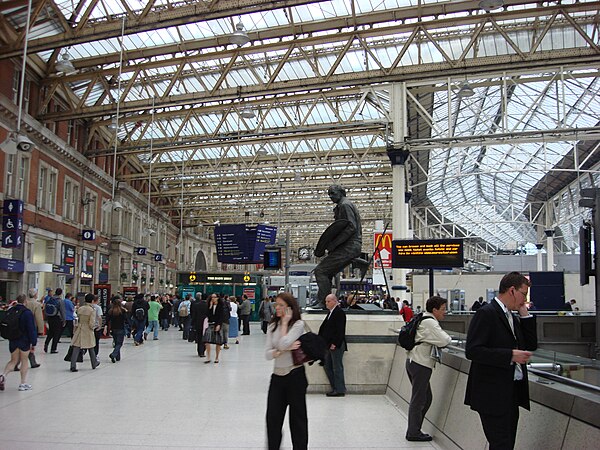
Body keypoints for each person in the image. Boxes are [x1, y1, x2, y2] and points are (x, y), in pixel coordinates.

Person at [464, 271, 538, 450]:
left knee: (507, 443)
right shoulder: (487, 313)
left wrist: (525, 315)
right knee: (501, 444)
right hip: (492, 394)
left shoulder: (511, 316)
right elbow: (473, 350)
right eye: (523, 294)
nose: (524, 299)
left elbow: (531, 345)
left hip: (510, 392)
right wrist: (510, 356)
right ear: (512, 290)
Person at [405, 296, 452, 442]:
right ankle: (413, 432)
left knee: (425, 398)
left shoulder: (422, 318)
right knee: (419, 399)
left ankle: (415, 429)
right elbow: (445, 340)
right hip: (421, 364)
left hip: (413, 361)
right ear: (434, 310)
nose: (445, 312)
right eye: (443, 309)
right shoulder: (430, 323)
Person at [313, 185, 368, 308]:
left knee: (320, 271)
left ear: (341, 193)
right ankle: (323, 300)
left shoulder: (345, 205)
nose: (331, 197)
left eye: (333, 193)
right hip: (350, 247)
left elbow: (350, 227)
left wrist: (334, 244)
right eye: (329, 194)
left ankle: (324, 302)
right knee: (327, 272)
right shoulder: (342, 206)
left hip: (349, 247)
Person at [265, 292, 308, 450]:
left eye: (281, 305)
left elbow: (282, 343)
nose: (277, 308)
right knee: (272, 419)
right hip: (277, 377)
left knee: (297, 420)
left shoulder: (298, 325)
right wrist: (282, 349)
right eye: (276, 304)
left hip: (295, 376)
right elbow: (267, 354)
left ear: (289, 308)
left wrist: (285, 324)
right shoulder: (271, 325)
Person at [0, 294, 38, 392]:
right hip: (24, 340)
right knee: (24, 361)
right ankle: (22, 383)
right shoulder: (27, 313)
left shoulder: (11, 310)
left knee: (13, 360)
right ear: (25, 301)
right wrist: (33, 342)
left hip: (13, 340)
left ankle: (3, 375)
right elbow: (31, 329)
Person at [318, 293, 347, 397]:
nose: (326, 303)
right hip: (328, 345)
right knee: (327, 366)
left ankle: (339, 390)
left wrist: (335, 343)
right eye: (326, 301)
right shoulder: (330, 313)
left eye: (328, 301)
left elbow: (340, 330)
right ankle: (335, 387)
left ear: (335, 301)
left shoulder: (339, 313)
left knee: (336, 367)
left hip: (335, 345)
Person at [70, 293, 100, 372]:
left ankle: (73, 364)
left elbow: (77, 319)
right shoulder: (92, 310)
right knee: (91, 346)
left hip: (80, 328)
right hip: (87, 329)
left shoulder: (80, 308)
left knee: (76, 347)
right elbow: (91, 323)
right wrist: (93, 328)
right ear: (92, 301)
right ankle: (94, 363)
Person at [104, 295, 127, 363]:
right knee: (119, 343)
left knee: (116, 342)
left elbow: (107, 320)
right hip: (121, 328)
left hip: (113, 329)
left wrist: (106, 327)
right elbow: (126, 319)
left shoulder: (111, 311)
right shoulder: (122, 311)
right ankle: (113, 354)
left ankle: (117, 357)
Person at [44, 287, 66, 353]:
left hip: (50, 317)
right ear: (61, 293)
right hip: (56, 318)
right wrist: (64, 320)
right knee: (56, 333)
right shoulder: (60, 301)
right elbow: (62, 311)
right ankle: (53, 348)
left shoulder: (50, 299)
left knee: (51, 331)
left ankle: (46, 343)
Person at [203, 294, 224, 363]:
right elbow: (206, 315)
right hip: (210, 324)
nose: (213, 298)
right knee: (207, 341)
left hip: (217, 324)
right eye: (212, 297)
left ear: (217, 298)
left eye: (214, 297)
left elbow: (221, 316)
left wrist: (219, 324)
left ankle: (217, 357)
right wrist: (210, 306)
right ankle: (208, 357)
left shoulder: (221, 306)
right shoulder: (209, 306)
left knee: (218, 342)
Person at [191, 293, 209, 357]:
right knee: (205, 337)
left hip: (198, 323)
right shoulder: (208, 305)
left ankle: (199, 351)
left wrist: (192, 323)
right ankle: (203, 351)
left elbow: (194, 315)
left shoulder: (196, 305)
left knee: (199, 337)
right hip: (206, 324)